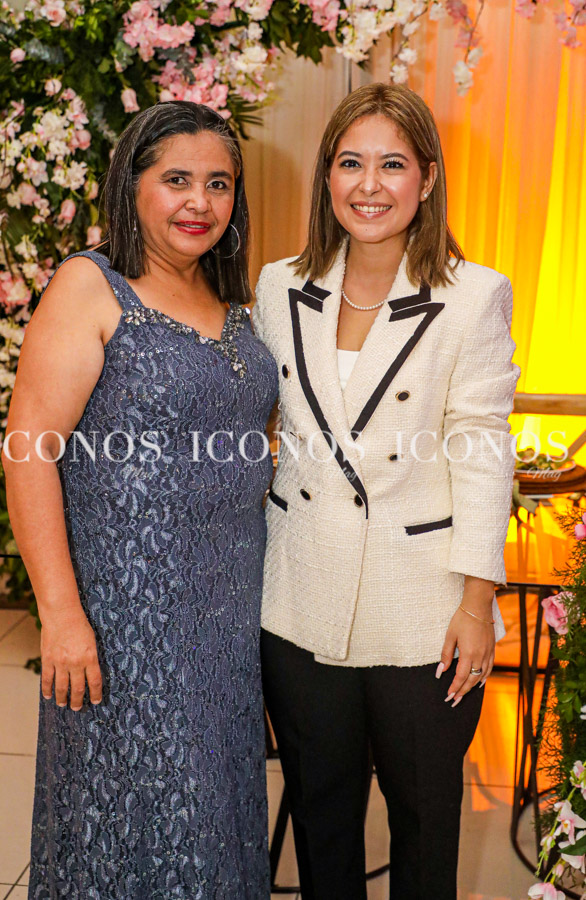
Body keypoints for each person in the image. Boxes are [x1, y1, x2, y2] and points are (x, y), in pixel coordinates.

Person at [3, 100, 277, 898]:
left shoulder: (230, 300)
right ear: (133, 185)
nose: (201, 201)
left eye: (219, 183)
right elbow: (28, 449)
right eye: (177, 180)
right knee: (137, 820)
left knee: (217, 817)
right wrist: (61, 614)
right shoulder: (92, 286)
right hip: (128, 622)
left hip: (227, 614)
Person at [253, 83, 520, 899]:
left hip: (424, 611)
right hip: (300, 598)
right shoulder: (277, 285)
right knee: (322, 818)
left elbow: (482, 451)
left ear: (427, 178)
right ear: (328, 178)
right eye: (351, 163)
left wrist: (476, 601)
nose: (369, 185)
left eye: (393, 165)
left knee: (425, 822)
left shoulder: (472, 295)